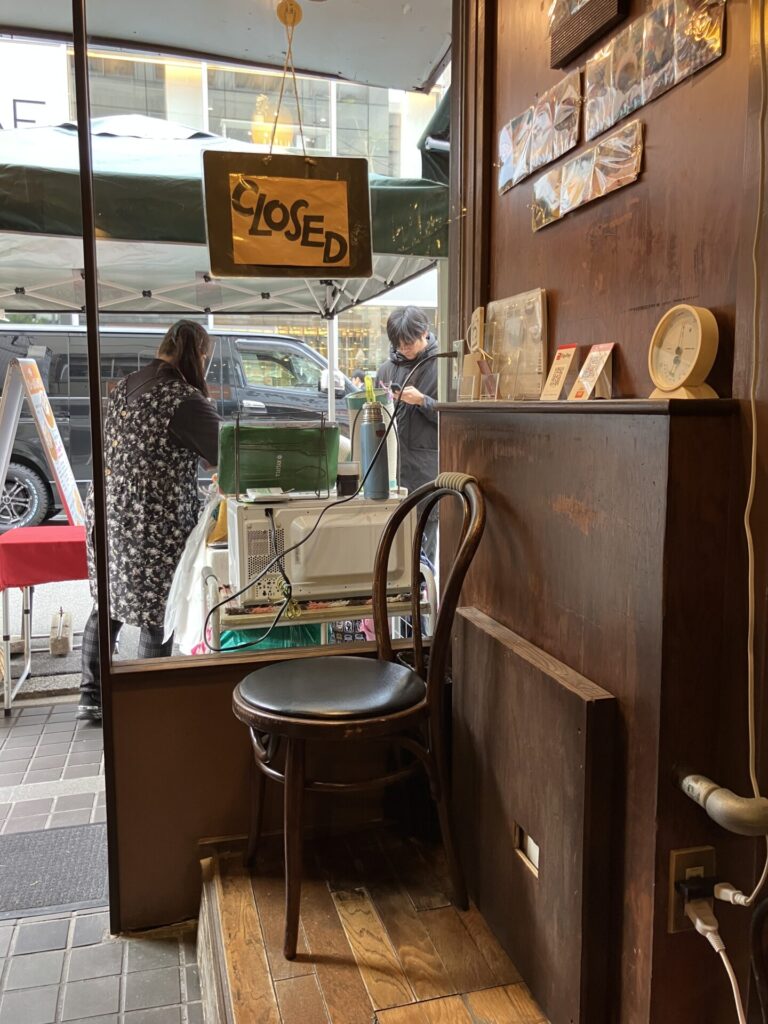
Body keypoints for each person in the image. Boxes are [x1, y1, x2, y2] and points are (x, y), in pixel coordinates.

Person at [78, 320, 221, 723]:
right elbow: (227, 452)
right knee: (158, 610)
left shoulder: (124, 386)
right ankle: (147, 703)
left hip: (108, 509)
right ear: (199, 355)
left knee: (107, 602)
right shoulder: (183, 399)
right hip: (151, 519)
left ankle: (91, 696)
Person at [376, 306, 439, 563]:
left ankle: (424, 588)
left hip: (425, 470)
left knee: (424, 548)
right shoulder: (386, 370)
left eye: (409, 343)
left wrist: (423, 401)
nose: (404, 349)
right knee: (392, 550)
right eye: (399, 345)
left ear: (424, 332)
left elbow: (455, 419)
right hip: (391, 471)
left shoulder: (442, 365)